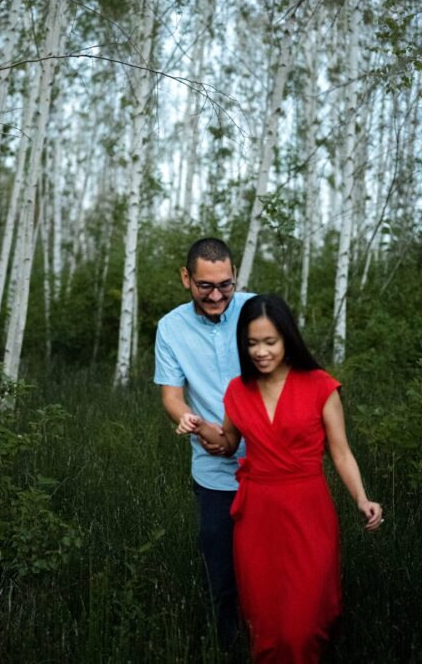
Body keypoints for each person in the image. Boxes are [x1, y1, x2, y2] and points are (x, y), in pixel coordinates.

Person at [179, 294, 383, 663]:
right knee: (266, 624)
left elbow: (341, 452)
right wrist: (198, 427)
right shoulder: (237, 391)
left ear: (288, 339)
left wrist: (362, 498)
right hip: (257, 518)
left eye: (269, 342)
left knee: (301, 625)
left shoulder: (320, 386)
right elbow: (227, 445)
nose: (260, 351)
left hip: (308, 514)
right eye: (252, 343)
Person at [154, 237, 254, 651]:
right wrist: (189, 422)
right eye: (205, 286)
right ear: (186, 278)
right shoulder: (171, 327)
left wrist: (236, 432)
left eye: (225, 285)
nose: (217, 296)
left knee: (272, 576)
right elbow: (172, 396)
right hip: (213, 475)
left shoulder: (257, 311)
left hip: (269, 469)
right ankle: (229, 651)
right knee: (222, 580)